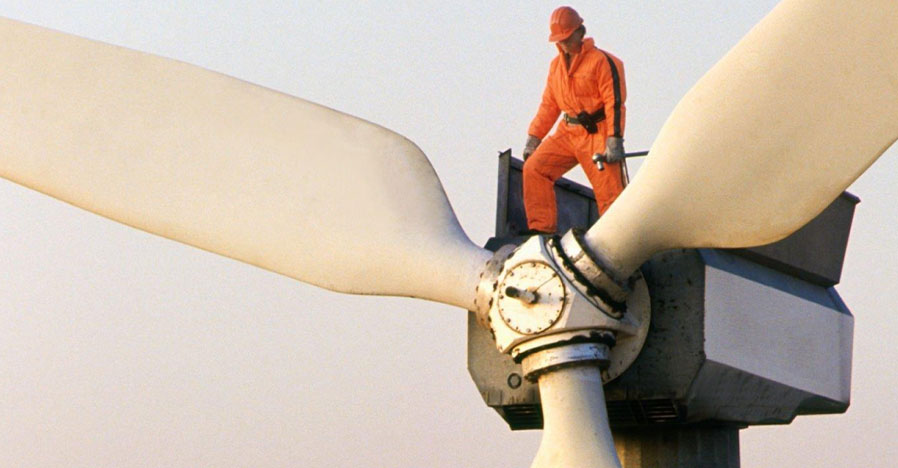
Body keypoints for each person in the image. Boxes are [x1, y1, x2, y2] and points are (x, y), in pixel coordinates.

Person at [521, 6, 627, 235]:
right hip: (567, 133)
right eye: (559, 40)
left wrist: (614, 139)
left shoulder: (603, 62)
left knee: (611, 197)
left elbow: (614, 103)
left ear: (580, 32)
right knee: (534, 169)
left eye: (567, 38)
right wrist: (534, 137)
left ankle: (618, 239)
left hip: (597, 134)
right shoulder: (556, 67)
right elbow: (549, 105)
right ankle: (541, 231)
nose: (564, 44)